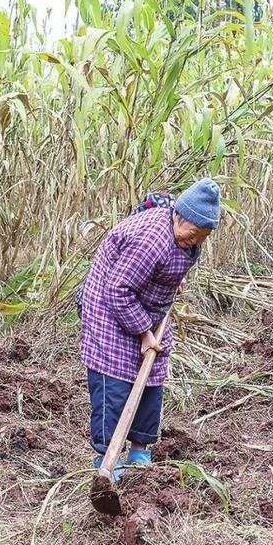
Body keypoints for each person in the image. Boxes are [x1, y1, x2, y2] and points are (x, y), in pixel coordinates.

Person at [80, 178, 221, 477]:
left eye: (203, 237)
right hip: (110, 305)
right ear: (177, 216)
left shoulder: (184, 233)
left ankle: (140, 452)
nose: (196, 241)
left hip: (149, 304)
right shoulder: (150, 241)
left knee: (152, 376)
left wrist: (173, 279)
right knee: (114, 379)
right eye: (193, 234)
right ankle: (109, 459)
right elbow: (118, 290)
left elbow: (174, 256)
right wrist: (144, 332)